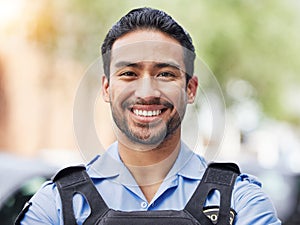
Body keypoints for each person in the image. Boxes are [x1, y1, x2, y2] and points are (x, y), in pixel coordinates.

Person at [16, 7, 281, 225]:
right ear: (107, 88)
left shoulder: (240, 203)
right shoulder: (57, 206)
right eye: (129, 73)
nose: (146, 92)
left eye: (165, 74)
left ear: (190, 89)